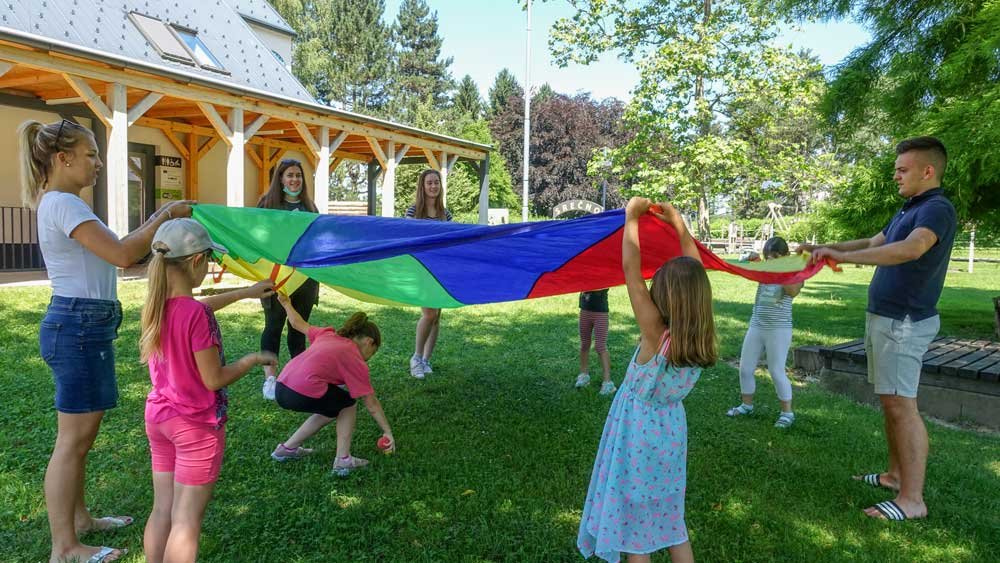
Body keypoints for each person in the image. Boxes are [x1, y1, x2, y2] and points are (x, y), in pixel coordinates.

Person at [19, 118, 193, 563]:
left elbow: (118, 255)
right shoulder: (63, 203)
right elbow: (122, 254)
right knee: (72, 440)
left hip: (84, 325)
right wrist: (165, 215)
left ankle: (80, 520)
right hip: (77, 326)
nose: (98, 163)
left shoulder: (65, 203)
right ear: (64, 158)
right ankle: (65, 548)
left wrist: (156, 227)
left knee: (81, 438)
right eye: (92, 154)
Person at [801, 136, 956, 521]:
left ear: (928, 171)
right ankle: (894, 476)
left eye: (903, 170)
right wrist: (828, 248)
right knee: (891, 401)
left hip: (904, 322)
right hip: (886, 318)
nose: (895, 176)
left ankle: (912, 500)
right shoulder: (910, 207)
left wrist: (839, 255)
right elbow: (874, 242)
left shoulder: (936, 209)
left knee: (902, 405)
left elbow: (911, 249)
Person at [578, 198, 717, 563]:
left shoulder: (656, 333)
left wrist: (631, 217)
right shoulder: (698, 334)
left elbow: (631, 270)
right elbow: (695, 271)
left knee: (635, 531)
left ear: (663, 297)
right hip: (671, 432)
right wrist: (678, 223)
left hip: (637, 434)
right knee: (671, 521)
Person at [140, 218, 277, 562]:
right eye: (211, 259)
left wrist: (245, 293)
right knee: (186, 521)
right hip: (195, 425)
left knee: (163, 510)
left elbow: (196, 308)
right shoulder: (196, 315)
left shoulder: (156, 306)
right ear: (197, 261)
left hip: (159, 418)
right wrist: (251, 360)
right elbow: (213, 379)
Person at [269, 293, 396, 476]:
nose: (369, 357)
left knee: (331, 407)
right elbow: (371, 403)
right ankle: (343, 460)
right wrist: (387, 431)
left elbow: (297, 323)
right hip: (300, 391)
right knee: (348, 403)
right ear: (369, 342)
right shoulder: (354, 357)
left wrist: (286, 303)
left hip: (281, 387)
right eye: (373, 352)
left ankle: (287, 449)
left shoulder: (327, 334)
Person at [257, 158, 321, 399]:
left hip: (305, 278)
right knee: (273, 326)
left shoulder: (310, 207)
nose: (295, 180)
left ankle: (299, 376)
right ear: (281, 179)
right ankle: (270, 380)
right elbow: (257, 237)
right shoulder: (267, 204)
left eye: (298, 175)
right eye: (290, 175)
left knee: (299, 327)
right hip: (277, 277)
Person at [726, 237, 803, 428]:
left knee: (776, 371)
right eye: (768, 257)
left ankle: (787, 413)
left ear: (785, 255)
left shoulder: (794, 271)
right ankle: (746, 405)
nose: (770, 261)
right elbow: (747, 270)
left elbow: (793, 291)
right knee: (745, 368)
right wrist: (752, 260)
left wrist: (779, 270)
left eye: (775, 257)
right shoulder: (765, 269)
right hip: (757, 325)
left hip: (779, 329)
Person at [404, 169, 453, 379]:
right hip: (421, 268)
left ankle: (425, 360)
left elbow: (452, 240)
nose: (433, 186)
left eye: (436, 182)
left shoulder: (445, 214)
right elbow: (407, 238)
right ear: (422, 187)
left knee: (436, 317)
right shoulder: (413, 211)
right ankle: (415, 358)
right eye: (429, 183)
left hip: (441, 268)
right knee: (429, 314)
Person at [574, 289, 616, 395]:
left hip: (600, 313)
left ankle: (608, 382)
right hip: (585, 311)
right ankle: (584, 375)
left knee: (600, 347)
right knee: (584, 344)